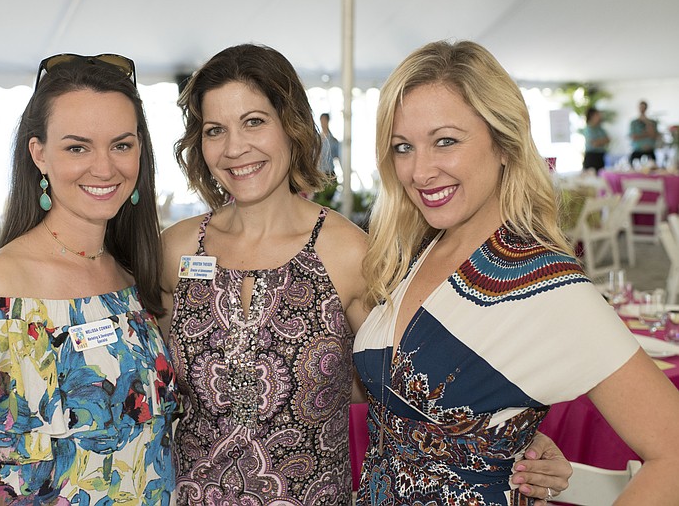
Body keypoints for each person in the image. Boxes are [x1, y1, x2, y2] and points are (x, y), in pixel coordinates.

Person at [162, 43, 572, 505]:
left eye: (254, 121)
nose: (235, 147)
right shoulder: (175, 250)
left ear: (291, 127)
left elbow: (410, 384)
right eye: (216, 129)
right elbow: (150, 385)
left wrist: (507, 439)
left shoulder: (349, 253)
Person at [356, 39, 679, 504]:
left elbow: (671, 451)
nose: (420, 171)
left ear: (505, 143)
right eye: (402, 147)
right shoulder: (416, 251)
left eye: (445, 141)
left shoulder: (546, 283)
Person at [0, 54, 178, 505]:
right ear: (38, 153)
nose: (104, 168)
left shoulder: (133, 277)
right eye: (77, 147)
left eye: (121, 145)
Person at [629, 99, 659, 164]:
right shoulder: (634, 123)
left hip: (650, 152)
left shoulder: (652, 122)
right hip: (637, 151)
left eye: (644, 107)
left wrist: (647, 122)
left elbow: (654, 136)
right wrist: (647, 134)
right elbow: (633, 137)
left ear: (646, 108)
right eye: (641, 107)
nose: (642, 109)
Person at [581, 106, 610, 171]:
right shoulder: (588, 129)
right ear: (592, 116)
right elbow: (595, 143)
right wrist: (602, 141)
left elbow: (608, 140)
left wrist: (600, 141)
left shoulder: (600, 129)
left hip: (601, 157)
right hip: (591, 157)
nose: (600, 116)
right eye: (597, 115)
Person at [319, 112, 341, 177]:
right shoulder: (317, 139)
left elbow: (338, 157)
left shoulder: (333, 140)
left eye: (324, 120)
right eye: (321, 121)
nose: (322, 123)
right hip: (319, 173)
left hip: (329, 172)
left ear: (328, 121)